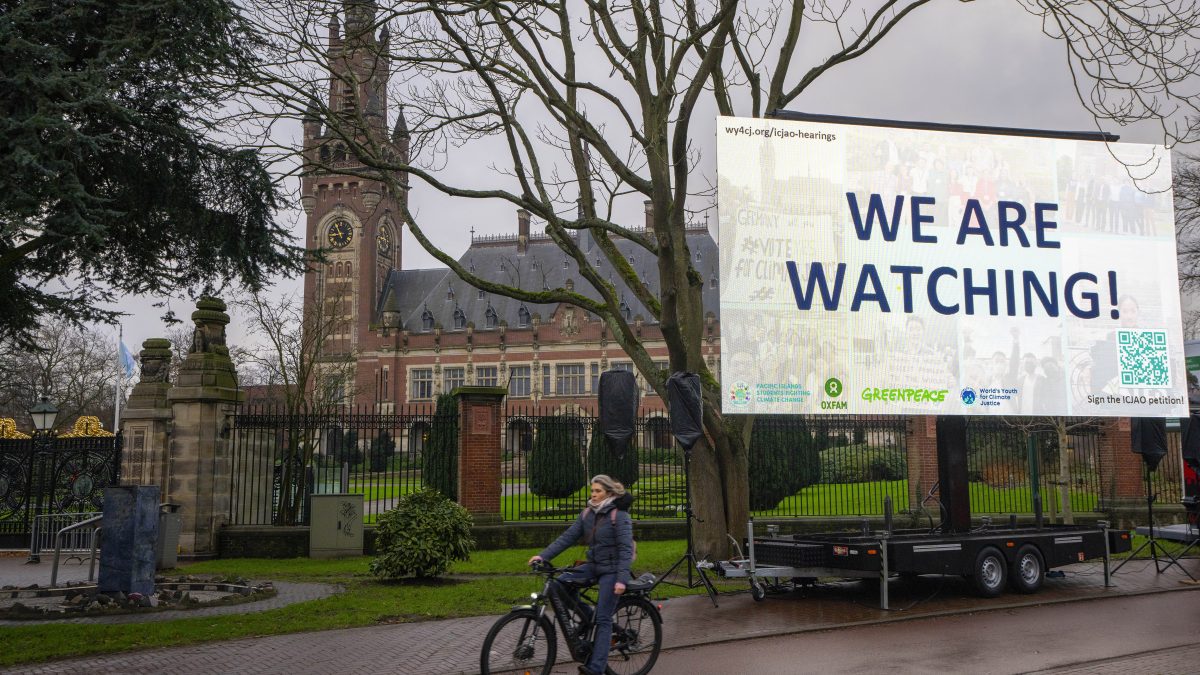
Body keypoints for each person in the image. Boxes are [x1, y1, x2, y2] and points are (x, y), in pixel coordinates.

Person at [528, 475, 634, 675]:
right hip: (593, 565)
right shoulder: (587, 514)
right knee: (558, 585)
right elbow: (567, 538)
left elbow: (626, 549)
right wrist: (542, 556)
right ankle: (587, 616)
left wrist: (621, 579)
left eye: (598, 491)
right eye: (592, 491)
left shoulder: (619, 515)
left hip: (612, 570)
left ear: (609, 493)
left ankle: (596, 668)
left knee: (603, 619)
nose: (593, 494)